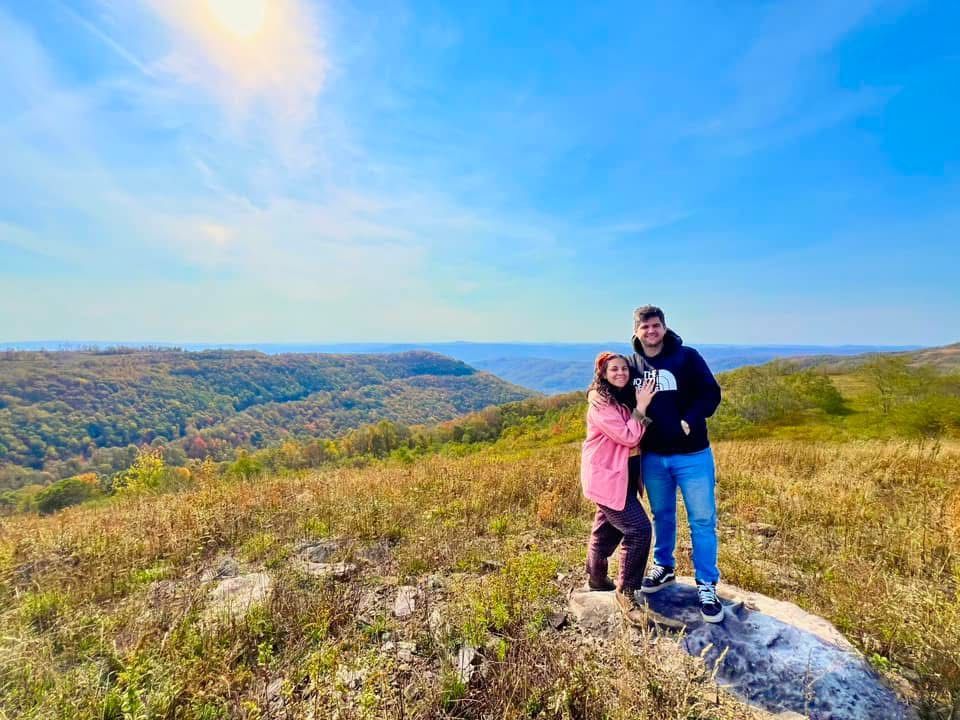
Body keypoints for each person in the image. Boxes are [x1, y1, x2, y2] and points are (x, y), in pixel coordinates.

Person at [589, 305, 724, 623]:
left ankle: (707, 584)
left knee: (702, 520)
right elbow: (616, 392)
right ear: (635, 331)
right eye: (644, 327)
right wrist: (594, 393)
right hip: (652, 457)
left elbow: (710, 394)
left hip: (692, 455)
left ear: (664, 327)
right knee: (662, 515)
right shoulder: (632, 365)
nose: (650, 331)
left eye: (655, 325)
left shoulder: (687, 357)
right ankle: (664, 567)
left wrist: (690, 419)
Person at [581, 351, 658, 625]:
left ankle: (597, 578)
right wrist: (643, 405)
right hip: (608, 477)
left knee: (606, 528)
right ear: (603, 373)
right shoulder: (601, 403)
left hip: (620, 478)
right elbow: (628, 436)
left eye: (624, 368)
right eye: (613, 369)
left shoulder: (619, 397)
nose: (621, 373)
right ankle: (626, 592)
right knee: (639, 530)